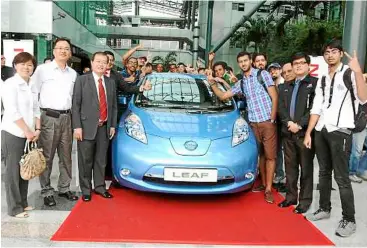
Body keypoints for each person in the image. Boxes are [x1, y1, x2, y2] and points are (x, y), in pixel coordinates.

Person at [304, 40, 367, 237]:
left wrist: (357, 72)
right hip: (322, 130)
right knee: (323, 173)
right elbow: (317, 107)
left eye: (334, 51)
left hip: (341, 131)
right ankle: (324, 208)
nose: (330, 55)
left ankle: (349, 219)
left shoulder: (348, 74)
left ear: (341, 54)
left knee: (341, 178)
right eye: (327, 52)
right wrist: (309, 133)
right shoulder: (323, 77)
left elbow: (364, 98)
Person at [208, 51, 278, 203]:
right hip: (253, 123)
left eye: (246, 60)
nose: (243, 63)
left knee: (271, 156)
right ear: (238, 64)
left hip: (267, 122)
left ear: (250, 61)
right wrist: (212, 83)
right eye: (240, 61)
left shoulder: (262, 75)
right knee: (260, 155)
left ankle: (268, 190)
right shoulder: (241, 83)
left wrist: (272, 119)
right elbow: (223, 96)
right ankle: (264, 184)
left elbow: (274, 96)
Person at [32, 37, 78, 206]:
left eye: (66, 48)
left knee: (66, 156)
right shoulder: (42, 70)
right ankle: (46, 191)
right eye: (60, 48)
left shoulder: (73, 74)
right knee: (47, 156)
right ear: (54, 51)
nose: (63, 51)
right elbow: (33, 95)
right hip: (48, 118)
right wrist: (36, 121)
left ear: (70, 53)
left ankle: (64, 188)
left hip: (67, 118)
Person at [72, 51, 118, 201]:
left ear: (107, 65)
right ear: (92, 63)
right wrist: (77, 126)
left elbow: (113, 106)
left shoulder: (110, 82)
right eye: (98, 61)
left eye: (104, 62)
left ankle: (99, 187)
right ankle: (86, 189)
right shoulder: (82, 80)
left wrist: (112, 125)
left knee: (101, 160)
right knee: (85, 160)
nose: (100, 64)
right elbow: (76, 105)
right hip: (85, 127)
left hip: (104, 127)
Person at [1, 52, 40, 218]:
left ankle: (23, 202)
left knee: (26, 167)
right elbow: (12, 111)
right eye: (22, 64)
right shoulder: (10, 84)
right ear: (15, 65)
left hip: (29, 133)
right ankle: (14, 208)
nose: (26, 67)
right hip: (14, 132)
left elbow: (36, 109)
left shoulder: (32, 84)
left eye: (30, 65)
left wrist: (37, 129)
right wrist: (27, 130)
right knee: (13, 171)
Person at [278, 52, 317, 214]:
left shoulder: (315, 84)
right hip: (288, 132)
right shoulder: (286, 86)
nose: (299, 65)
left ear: (308, 65)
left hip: (304, 134)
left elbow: (315, 108)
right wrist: (288, 122)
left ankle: (305, 201)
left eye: (302, 63)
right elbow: (280, 108)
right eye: (295, 63)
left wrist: (299, 124)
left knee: (306, 169)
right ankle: (291, 197)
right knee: (290, 168)